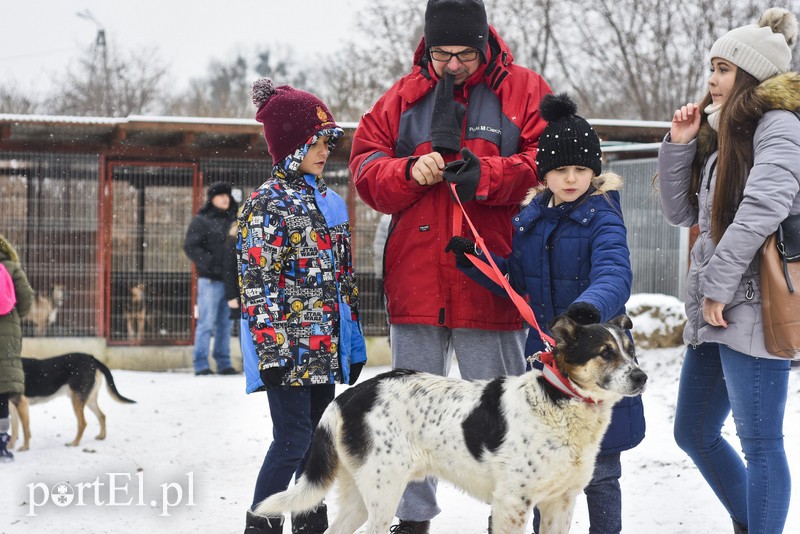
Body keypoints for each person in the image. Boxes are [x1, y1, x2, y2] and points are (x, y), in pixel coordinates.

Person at [349, 1, 551, 530]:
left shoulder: (525, 90)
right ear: (428, 48)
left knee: (506, 411)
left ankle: (508, 514)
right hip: (416, 283)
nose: (454, 65)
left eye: (464, 54)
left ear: (484, 44)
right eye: (442, 54)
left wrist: (485, 174)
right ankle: (412, 520)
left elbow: (547, 164)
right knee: (410, 415)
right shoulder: (401, 97)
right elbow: (365, 166)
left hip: (489, 276)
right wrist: (409, 171)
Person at [447, 93, 645, 534]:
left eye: (580, 169)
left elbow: (614, 271)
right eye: (560, 170)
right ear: (545, 174)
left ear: (594, 171)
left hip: (597, 358)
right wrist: (475, 259)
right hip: (548, 365)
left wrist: (590, 308)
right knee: (539, 464)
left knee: (601, 470)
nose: (571, 178)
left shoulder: (603, 217)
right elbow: (516, 283)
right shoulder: (530, 221)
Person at [658, 8, 800, 533]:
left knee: (761, 440)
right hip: (717, 306)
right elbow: (682, 214)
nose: (712, 80)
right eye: (711, 68)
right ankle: (753, 521)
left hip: (755, 302)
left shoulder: (779, 126)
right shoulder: (724, 132)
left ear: (751, 74)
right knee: (694, 432)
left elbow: (765, 206)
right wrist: (679, 143)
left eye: (723, 68)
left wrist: (716, 286)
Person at [240, 78, 368, 534]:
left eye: (329, 140)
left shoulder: (331, 203)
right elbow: (257, 285)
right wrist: (271, 353)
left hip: (324, 347)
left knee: (317, 445)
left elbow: (345, 283)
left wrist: (352, 346)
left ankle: (311, 525)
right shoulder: (265, 205)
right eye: (315, 141)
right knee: (292, 440)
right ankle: (261, 523)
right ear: (291, 146)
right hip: (287, 350)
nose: (325, 149)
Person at [183, 181, 239, 375]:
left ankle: (224, 362)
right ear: (212, 199)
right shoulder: (202, 220)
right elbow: (191, 246)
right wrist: (210, 263)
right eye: (221, 195)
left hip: (231, 281)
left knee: (226, 324)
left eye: (228, 195)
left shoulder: (235, 219)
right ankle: (201, 364)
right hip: (210, 280)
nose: (225, 198)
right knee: (206, 323)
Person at [0, 233, 35, 462]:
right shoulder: (11, 267)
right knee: (2, 395)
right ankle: (2, 443)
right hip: (7, 337)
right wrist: (12, 316)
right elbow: (27, 298)